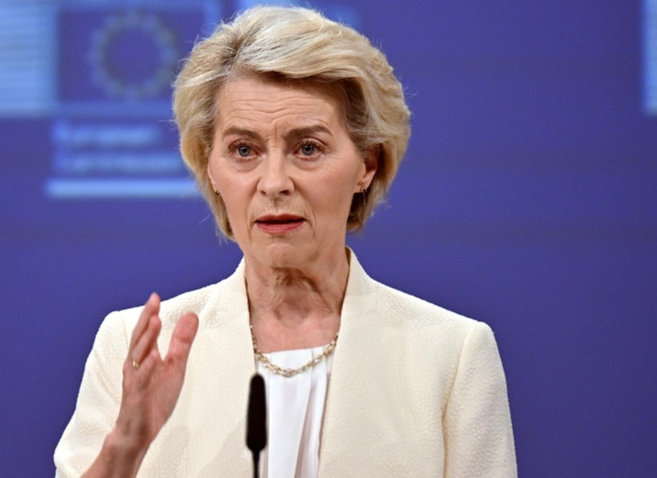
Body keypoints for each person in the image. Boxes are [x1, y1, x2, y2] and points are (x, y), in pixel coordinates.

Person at [54, 5, 516, 477]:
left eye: (308, 148)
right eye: (244, 150)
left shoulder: (451, 355)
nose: (274, 182)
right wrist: (125, 450)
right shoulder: (133, 349)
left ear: (367, 164)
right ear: (209, 167)